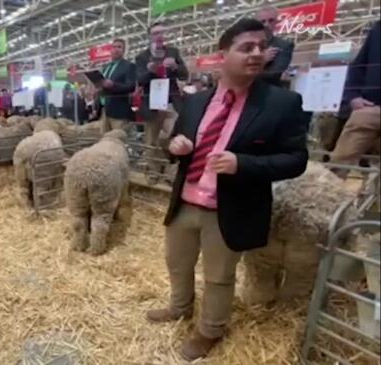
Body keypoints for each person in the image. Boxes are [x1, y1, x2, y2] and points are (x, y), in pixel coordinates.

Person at [145, 19, 309, 361]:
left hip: (231, 207)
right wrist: (174, 146)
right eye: (246, 47)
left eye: (261, 47)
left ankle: (210, 330)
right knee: (177, 262)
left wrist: (243, 164)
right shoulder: (194, 101)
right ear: (223, 54)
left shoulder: (283, 103)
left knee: (219, 276)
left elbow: (296, 160)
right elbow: (173, 144)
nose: (257, 53)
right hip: (186, 200)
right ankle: (179, 307)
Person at [136, 22, 189, 181]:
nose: (159, 36)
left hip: (171, 103)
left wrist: (175, 67)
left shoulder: (173, 52)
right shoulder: (142, 57)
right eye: (155, 33)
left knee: (173, 137)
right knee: (150, 142)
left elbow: (184, 75)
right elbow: (139, 80)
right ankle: (154, 172)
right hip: (152, 104)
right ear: (149, 36)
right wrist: (149, 72)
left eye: (162, 33)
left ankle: (169, 168)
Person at [330, 20, 380, 178]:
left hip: (369, 106)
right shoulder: (378, 28)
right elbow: (358, 64)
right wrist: (353, 96)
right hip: (369, 107)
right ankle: (328, 196)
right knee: (338, 164)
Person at [99, 38, 136, 132]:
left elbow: (131, 86)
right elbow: (104, 86)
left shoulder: (129, 66)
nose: (116, 49)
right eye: (114, 47)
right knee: (104, 141)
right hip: (105, 111)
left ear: (124, 51)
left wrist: (113, 85)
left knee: (119, 140)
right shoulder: (106, 67)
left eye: (119, 47)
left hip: (119, 112)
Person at [256, 6, 295, 87]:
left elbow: (273, 75)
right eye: (263, 21)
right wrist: (262, 60)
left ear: (276, 22)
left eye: (271, 20)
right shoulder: (247, 44)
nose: (266, 24)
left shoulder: (284, 46)